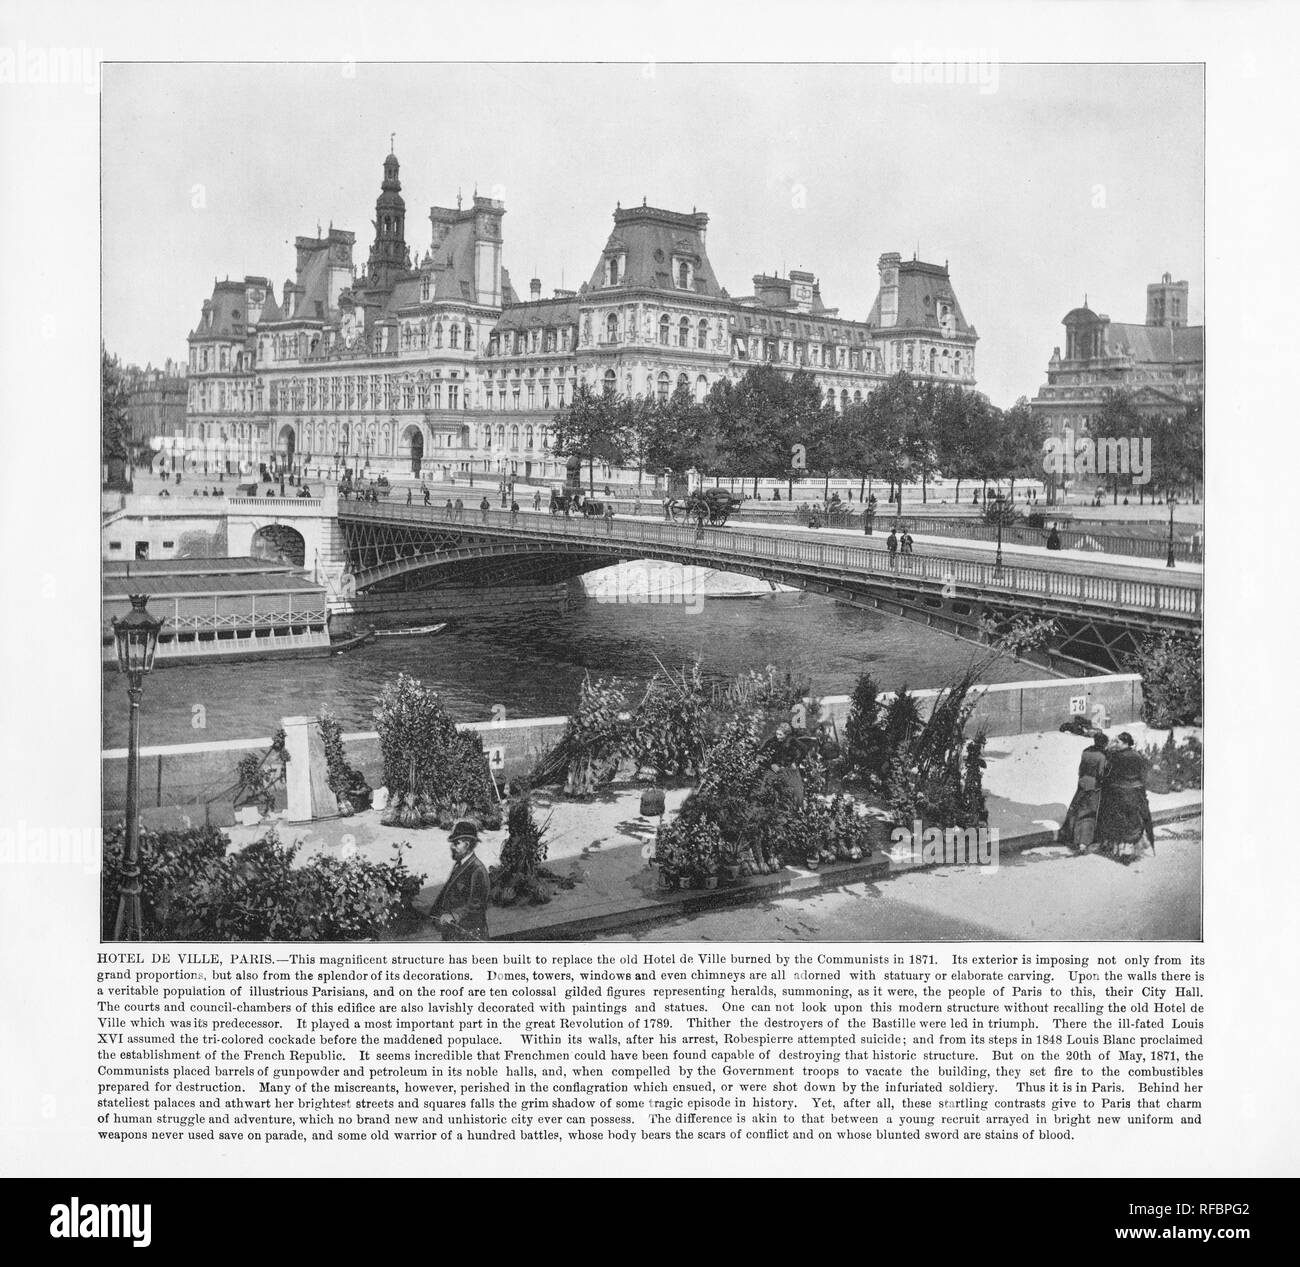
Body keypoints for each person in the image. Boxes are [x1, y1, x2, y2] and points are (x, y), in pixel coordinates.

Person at [1096, 732, 1156, 859]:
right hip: (1135, 791)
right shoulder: (1138, 756)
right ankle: (1133, 848)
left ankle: (1120, 849)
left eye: (1118, 742)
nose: (1116, 744)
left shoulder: (1115, 756)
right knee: (1134, 819)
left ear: (1125, 743)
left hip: (1120, 791)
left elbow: (1108, 774)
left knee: (1118, 819)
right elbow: (1143, 773)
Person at [428, 819, 489, 941]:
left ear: (467, 844)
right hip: (453, 932)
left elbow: (477, 905)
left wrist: (454, 915)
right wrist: (433, 913)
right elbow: (446, 892)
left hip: (470, 936)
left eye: (456, 843)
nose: (452, 847)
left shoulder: (477, 870)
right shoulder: (459, 865)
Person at [1058, 732, 1109, 851]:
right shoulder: (1102, 756)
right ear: (1104, 743)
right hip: (1093, 786)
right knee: (1089, 813)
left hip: (1082, 782)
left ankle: (1069, 835)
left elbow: (1080, 769)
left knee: (1076, 810)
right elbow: (1101, 774)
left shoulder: (1086, 751)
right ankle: (1083, 841)